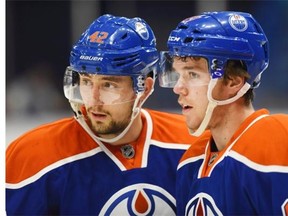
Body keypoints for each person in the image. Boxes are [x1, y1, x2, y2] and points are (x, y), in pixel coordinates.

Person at [6, 14, 200, 215]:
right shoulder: (31, 156)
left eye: (109, 85)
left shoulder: (193, 145)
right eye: (87, 82)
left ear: (144, 88)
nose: (94, 99)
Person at [158, 11, 288, 215]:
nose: (178, 88)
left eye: (192, 74)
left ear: (233, 82)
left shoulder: (279, 143)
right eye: (178, 74)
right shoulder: (190, 161)